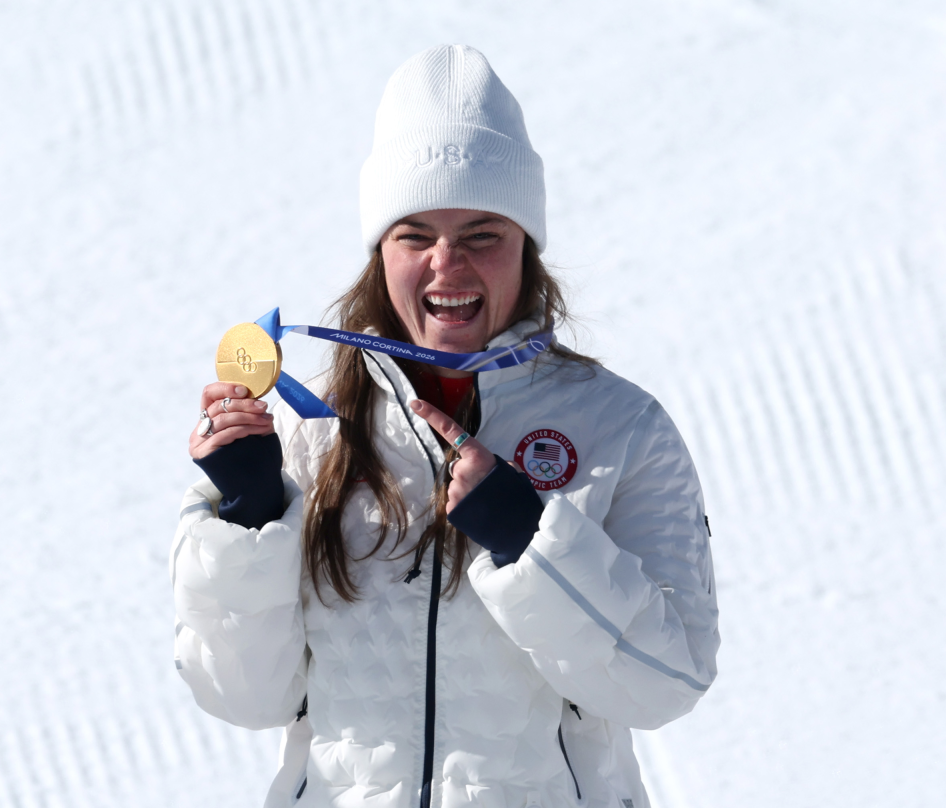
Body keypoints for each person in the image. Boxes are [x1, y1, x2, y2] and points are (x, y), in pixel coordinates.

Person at [171, 44, 718, 808]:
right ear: (379, 253)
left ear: (527, 248)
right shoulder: (311, 434)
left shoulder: (621, 428)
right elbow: (242, 697)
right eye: (415, 234)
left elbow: (668, 681)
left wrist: (528, 538)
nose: (446, 264)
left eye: (482, 234)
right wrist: (250, 513)